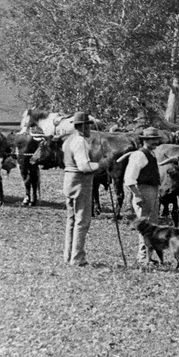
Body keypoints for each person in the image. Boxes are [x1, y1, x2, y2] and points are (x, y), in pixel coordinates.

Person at [61, 111, 102, 267]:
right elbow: (84, 166)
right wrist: (100, 165)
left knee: (71, 220)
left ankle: (68, 255)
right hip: (81, 183)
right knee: (82, 221)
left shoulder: (68, 141)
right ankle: (78, 257)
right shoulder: (80, 142)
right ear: (82, 126)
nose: (89, 129)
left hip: (69, 182)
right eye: (88, 126)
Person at [123, 126, 163, 263]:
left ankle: (148, 257)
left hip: (152, 190)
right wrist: (137, 195)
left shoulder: (151, 154)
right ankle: (142, 257)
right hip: (143, 190)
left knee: (152, 224)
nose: (154, 142)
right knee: (145, 225)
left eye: (156, 139)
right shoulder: (139, 155)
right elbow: (129, 178)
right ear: (144, 140)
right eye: (151, 140)